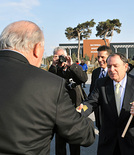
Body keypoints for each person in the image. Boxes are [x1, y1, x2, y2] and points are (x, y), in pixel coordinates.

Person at [0, 20, 95, 154]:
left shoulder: (63, 73)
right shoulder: (50, 83)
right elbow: (84, 135)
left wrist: (71, 65)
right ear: (37, 49)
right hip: (63, 114)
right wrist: (84, 120)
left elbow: (83, 78)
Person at [78, 53, 134, 155]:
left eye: (115, 66)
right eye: (109, 66)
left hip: (132, 143)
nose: (111, 69)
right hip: (108, 144)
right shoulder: (101, 83)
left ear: (125, 67)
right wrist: (79, 111)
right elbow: (90, 103)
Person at [49, 47, 88, 155]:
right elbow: (49, 82)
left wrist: (72, 65)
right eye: (57, 56)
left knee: (75, 143)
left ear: (66, 56)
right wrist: (53, 65)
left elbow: (84, 79)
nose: (60, 59)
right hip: (59, 111)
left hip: (74, 110)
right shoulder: (55, 70)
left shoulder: (72, 69)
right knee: (60, 145)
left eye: (62, 56)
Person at [89, 45, 113, 130]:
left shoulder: (114, 72)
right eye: (98, 57)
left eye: (102, 57)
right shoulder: (95, 72)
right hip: (98, 113)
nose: (99, 60)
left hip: (110, 115)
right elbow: (91, 92)